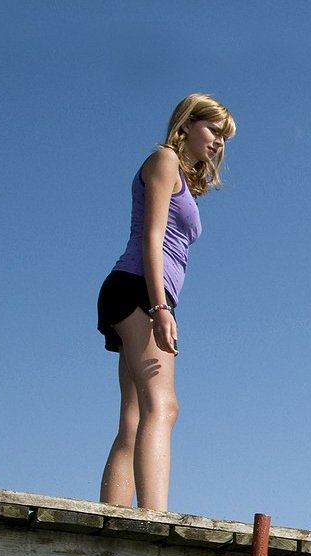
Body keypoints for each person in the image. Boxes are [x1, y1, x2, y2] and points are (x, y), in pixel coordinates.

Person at [97, 93, 235, 511]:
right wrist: (160, 308)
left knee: (134, 416)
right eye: (213, 130)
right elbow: (151, 237)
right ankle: (155, 518)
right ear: (187, 123)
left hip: (138, 289)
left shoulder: (180, 176)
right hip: (140, 288)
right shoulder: (164, 160)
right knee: (164, 405)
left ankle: (114, 518)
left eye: (224, 137)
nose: (218, 143)